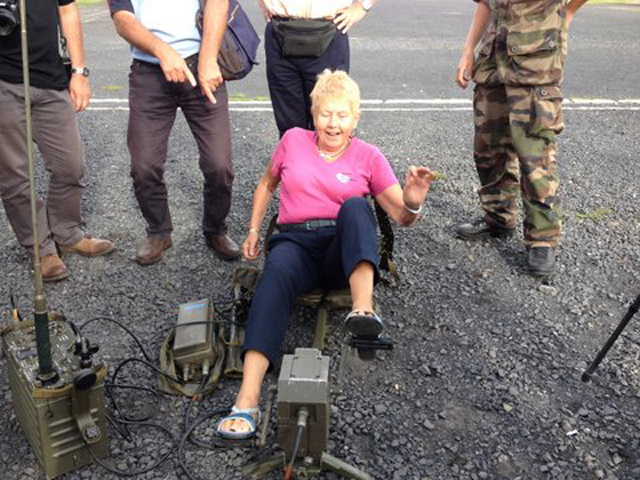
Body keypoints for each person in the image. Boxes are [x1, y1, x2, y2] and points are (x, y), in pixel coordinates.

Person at [216, 70, 434, 438]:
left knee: (357, 207)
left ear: (355, 118)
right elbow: (267, 184)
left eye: (342, 115)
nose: (333, 124)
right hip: (295, 243)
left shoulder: (369, 156)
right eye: (325, 114)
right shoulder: (292, 140)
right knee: (273, 278)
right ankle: (246, 400)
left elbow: (402, 216)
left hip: (339, 251)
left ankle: (363, 312)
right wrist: (253, 230)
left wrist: (413, 201)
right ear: (314, 114)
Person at [455, 0, 590, 277]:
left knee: (535, 157)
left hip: (535, 65)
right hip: (492, 64)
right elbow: (485, 4)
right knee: (488, 149)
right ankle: (498, 217)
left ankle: (542, 238)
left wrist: (567, 13)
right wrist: (468, 50)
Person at [109, 0, 241, 265]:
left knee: (219, 165)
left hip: (201, 66)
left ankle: (215, 229)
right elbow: (122, 18)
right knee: (144, 165)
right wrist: (162, 50)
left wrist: (208, 59)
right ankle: (158, 230)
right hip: (149, 72)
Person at [0, 0, 115, 282]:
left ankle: (68, 234)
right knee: (15, 175)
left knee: (70, 166)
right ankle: (41, 249)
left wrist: (80, 72)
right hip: (3, 83)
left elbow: (68, 10)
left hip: (50, 80)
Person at [259, 0, 379, 137]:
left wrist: (362, 6)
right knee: (289, 124)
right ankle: (295, 150)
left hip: (328, 30)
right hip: (280, 29)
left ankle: (329, 151)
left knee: (331, 118)